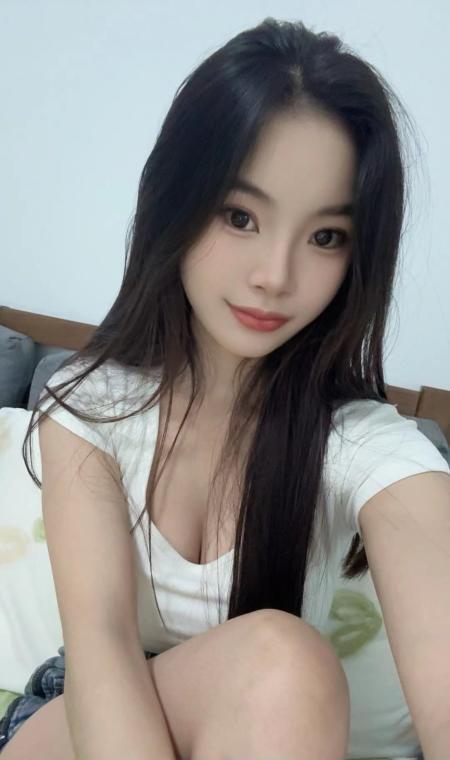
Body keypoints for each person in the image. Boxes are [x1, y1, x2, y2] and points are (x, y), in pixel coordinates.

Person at [1, 15, 448, 760]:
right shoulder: (90, 404)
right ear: (177, 203)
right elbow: (103, 647)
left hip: (259, 731)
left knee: (284, 672)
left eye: (326, 237)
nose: (275, 275)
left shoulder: (365, 446)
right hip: (76, 716)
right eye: (240, 217)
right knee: (283, 662)